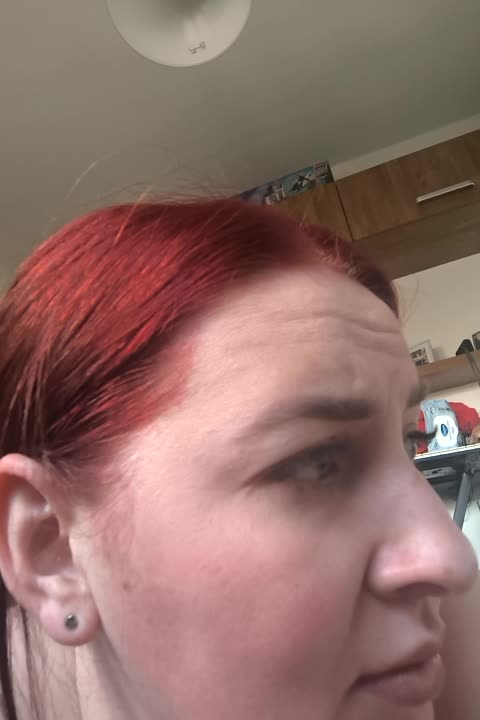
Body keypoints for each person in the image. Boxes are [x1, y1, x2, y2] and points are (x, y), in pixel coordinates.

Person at [0, 197, 478, 720]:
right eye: (316, 462)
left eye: (408, 443)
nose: (452, 559)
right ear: (52, 548)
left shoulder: (448, 633)